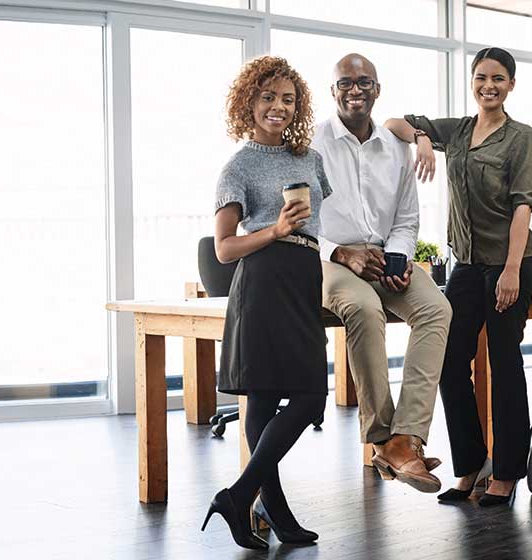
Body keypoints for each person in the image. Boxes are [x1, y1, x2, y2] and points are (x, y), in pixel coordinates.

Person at [384, 46, 532, 506]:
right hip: (467, 266)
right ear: (471, 83)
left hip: (509, 263)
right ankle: (470, 464)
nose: (488, 86)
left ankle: (507, 472)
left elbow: (522, 206)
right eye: (480, 78)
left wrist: (511, 270)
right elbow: (394, 122)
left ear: (510, 84)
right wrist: (421, 139)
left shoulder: (521, 137)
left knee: (504, 361)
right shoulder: (458, 130)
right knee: (451, 362)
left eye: (497, 78)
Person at [201, 56, 331, 550]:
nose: (278, 106)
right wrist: (274, 229)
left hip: (303, 275)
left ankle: (247, 500)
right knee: (284, 396)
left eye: (288, 99)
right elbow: (224, 248)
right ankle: (262, 504)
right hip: (262, 278)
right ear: (248, 102)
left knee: (298, 394)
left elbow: (319, 221)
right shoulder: (238, 166)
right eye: (268, 97)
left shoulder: (309, 159)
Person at [313, 54, 452, 493]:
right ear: (333, 90)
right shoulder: (312, 144)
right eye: (346, 83)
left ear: (378, 89)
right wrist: (342, 253)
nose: (355, 90)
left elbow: (407, 217)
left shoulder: (396, 147)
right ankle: (380, 437)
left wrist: (397, 257)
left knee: (436, 309)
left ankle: (406, 437)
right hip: (327, 259)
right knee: (362, 308)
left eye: (365, 82)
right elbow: (300, 223)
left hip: (382, 256)